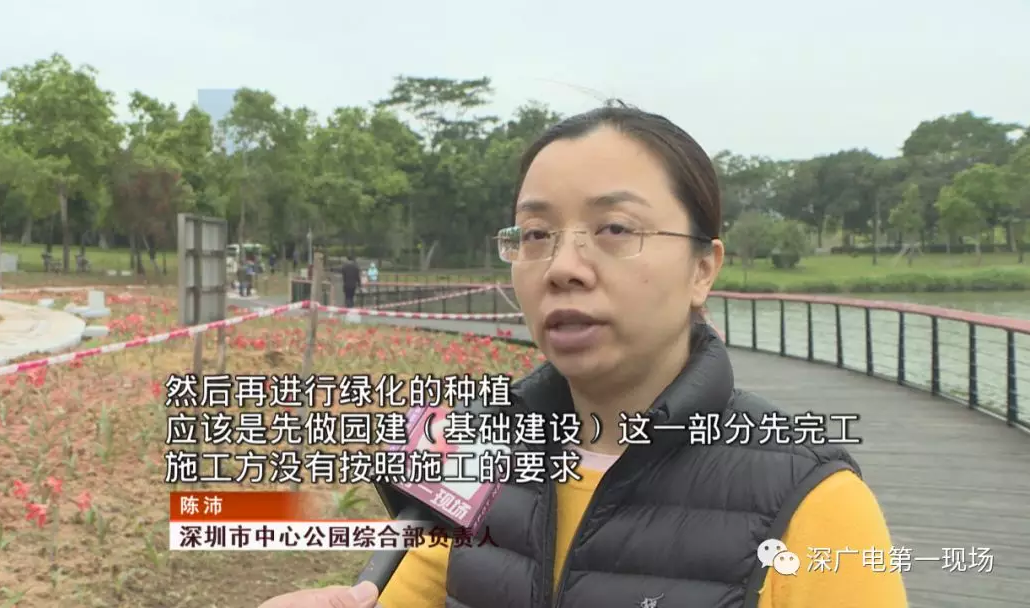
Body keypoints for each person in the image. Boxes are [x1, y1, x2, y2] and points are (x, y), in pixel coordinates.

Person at [257, 106, 908, 607]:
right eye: (536, 234)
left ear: (703, 268)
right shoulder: (467, 454)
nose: (562, 267)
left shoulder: (813, 504)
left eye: (615, 229)